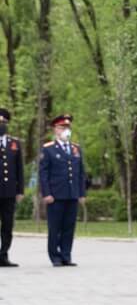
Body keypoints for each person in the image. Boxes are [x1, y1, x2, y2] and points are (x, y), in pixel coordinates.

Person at [39, 114, 86, 267]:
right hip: (55, 195)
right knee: (55, 227)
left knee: (69, 227)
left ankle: (66, 255)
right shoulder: (49, 149)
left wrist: (81, 193)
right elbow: (43, 173)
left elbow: (80, 173)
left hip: (72, 194)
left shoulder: (75, 149)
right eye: (62, 127)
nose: (66, 130)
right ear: (56, 130)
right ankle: (55, 257)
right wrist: (46, 193)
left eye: (68, 128)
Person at [0, 108, 25, 267]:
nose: (1, 125)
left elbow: (19, 169)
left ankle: (3, 255)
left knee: (7, 225)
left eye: (3, 123)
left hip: (9, 192)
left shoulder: (14, 144)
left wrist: (20, 190)